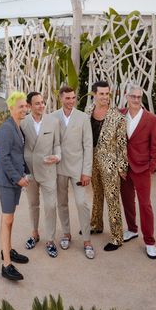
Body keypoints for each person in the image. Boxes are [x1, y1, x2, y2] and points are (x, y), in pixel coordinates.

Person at [120, 85, 156, 259]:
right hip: (123, 168)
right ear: (126, 96)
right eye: (133, 96)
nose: (136, 100)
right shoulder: (119, 114)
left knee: (145, 205)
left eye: (139, 97)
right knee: (127, 201)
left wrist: (151, 167)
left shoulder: (152, 119)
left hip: (142, 167)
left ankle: (150, 242)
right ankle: (132, 229)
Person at [54, 86, 95, 259]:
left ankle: (86, 240)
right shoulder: (53, 117)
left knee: (81, 203)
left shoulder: (83, 117)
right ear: (61, 98)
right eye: (68, 98)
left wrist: (87, 172)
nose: (71, 101)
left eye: (73, 98)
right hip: (59, 168)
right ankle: (66, 234)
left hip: (78, 169)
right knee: (61, 202)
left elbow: (88, 145)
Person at [86, 81, 128, 251]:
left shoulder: (118, 117)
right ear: (94, 94)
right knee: (96, 194)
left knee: (112, 199)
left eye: (107, 94)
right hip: (91, 161)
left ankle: (117, 237)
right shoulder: (88, 111)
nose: (104, 97)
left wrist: (122, 167)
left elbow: (122, 144)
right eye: (101, 94)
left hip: (110, 163)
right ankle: (96, 224)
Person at [0, 91, 30, 281]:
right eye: (21, 107)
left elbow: (18, 155)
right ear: (11, 108)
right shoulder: (6, 129)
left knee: (9, 218)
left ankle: (6, 249)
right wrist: (18, 179)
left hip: (14, 179)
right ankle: (6, 264)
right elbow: (4, 159)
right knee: (7, 219)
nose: (25, 109)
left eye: (25, 106)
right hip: (7, 181)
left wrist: (25, 172)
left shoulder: (18, 126)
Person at [22, 91, 62, 258]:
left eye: (43, 102)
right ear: (29, 106)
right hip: (30, 171)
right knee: (33, 205)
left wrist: (57, 156)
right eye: (37, 103)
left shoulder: (53, 122)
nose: (42, 105)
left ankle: (50, 240)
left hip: (48, 170)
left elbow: (57, 144)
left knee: (51, 206)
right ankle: (34, 234)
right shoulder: (23, 123)